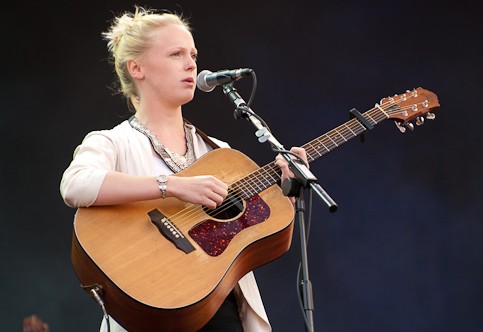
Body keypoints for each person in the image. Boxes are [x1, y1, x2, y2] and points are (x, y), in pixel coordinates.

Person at [60, 6, 307, 332]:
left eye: (192, 54)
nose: (191, 63)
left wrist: (288, 188)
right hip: (152, 309)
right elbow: (75, 185)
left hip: (221, 306)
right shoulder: (113, 141)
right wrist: (172, 186)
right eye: (176, 54)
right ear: (137, 68)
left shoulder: (220, 151)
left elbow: (254, 229)